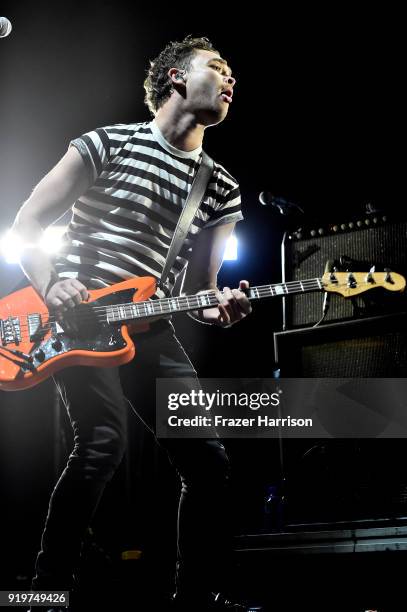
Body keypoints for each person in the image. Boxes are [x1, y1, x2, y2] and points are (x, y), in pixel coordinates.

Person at [13, 36, 259, 611]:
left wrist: (221, 309)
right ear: (176, 76)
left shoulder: (220, 188)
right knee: (101, 443)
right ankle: (47, 592)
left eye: (232, 76)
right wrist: (52, 286)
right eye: (218, 68)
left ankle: (194, 598)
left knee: (207, 461)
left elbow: (199, 292)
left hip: (149, 324)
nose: (230, 80)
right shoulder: (106, 143)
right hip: (78, 317)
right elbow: (27, 223)